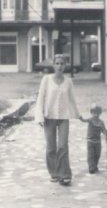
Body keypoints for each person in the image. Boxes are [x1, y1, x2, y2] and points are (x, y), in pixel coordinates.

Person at [35, 54, 81, 186]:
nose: (60, 66)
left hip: (63, 118)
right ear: (53, 65)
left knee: (62, 146)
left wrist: (78, 115)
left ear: (65, 65)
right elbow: (41, 98)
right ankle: (54, 173)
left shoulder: (68, 81)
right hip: (49, 117)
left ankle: (65, 175)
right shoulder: (46, 80)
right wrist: (39, 116)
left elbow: (72, 100)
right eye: (57, 63)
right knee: (51, 147)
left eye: (62, 63)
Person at [80, 103, 107, 174]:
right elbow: (83, 120)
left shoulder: (101, 122)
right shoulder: (90, 120)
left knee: (97, 155)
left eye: (97, 113)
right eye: (94, 113)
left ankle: (95, 166)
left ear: (100, 113)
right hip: (90, 141)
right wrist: (80, 117)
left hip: (98, 142)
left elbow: (103, 130)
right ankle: (91, 168)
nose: (95, 114)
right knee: (90, 155)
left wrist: (106, 132)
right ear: (91, 113)